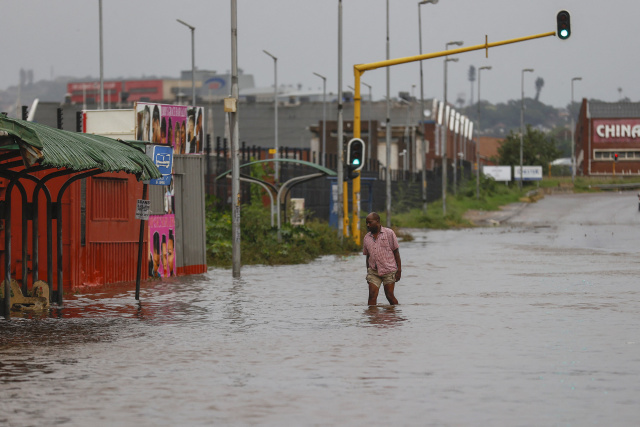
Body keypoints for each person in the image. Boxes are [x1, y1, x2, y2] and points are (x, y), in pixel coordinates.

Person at [362, 212, 401, 306]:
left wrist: (399, 270)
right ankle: (372, 318)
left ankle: (396, 314)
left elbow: (396, 252)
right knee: (372, 296)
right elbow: (368, 256)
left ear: (377, 221)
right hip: (373, 272)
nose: (368, 225)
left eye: (370, 222)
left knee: (389, 296)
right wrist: (368, 272)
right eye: (367, 223)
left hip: (389, 270)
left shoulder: (389, 233)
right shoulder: (367, 238)